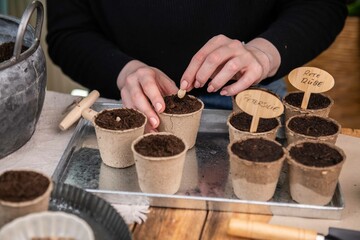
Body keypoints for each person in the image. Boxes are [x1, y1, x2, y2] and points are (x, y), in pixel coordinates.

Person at [46, 0, 347, 132]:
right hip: (128, 101)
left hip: (250, 95)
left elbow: (322, 5)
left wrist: (263, 54)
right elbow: (68, 32)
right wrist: (123, 71)